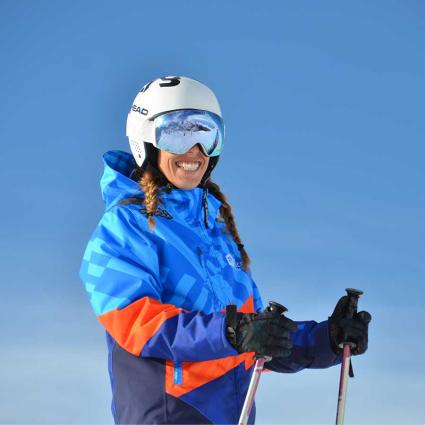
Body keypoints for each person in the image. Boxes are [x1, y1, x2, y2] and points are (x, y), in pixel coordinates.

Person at [79, 76, 371, 425]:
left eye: (207, 134)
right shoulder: (124, 228)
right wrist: (230, 332)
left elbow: (259, 335)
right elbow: (137, 324)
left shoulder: (215, 233)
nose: (195, 150)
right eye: (178, 133)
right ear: (145, 139)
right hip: (170, 414)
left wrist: (328, 339)